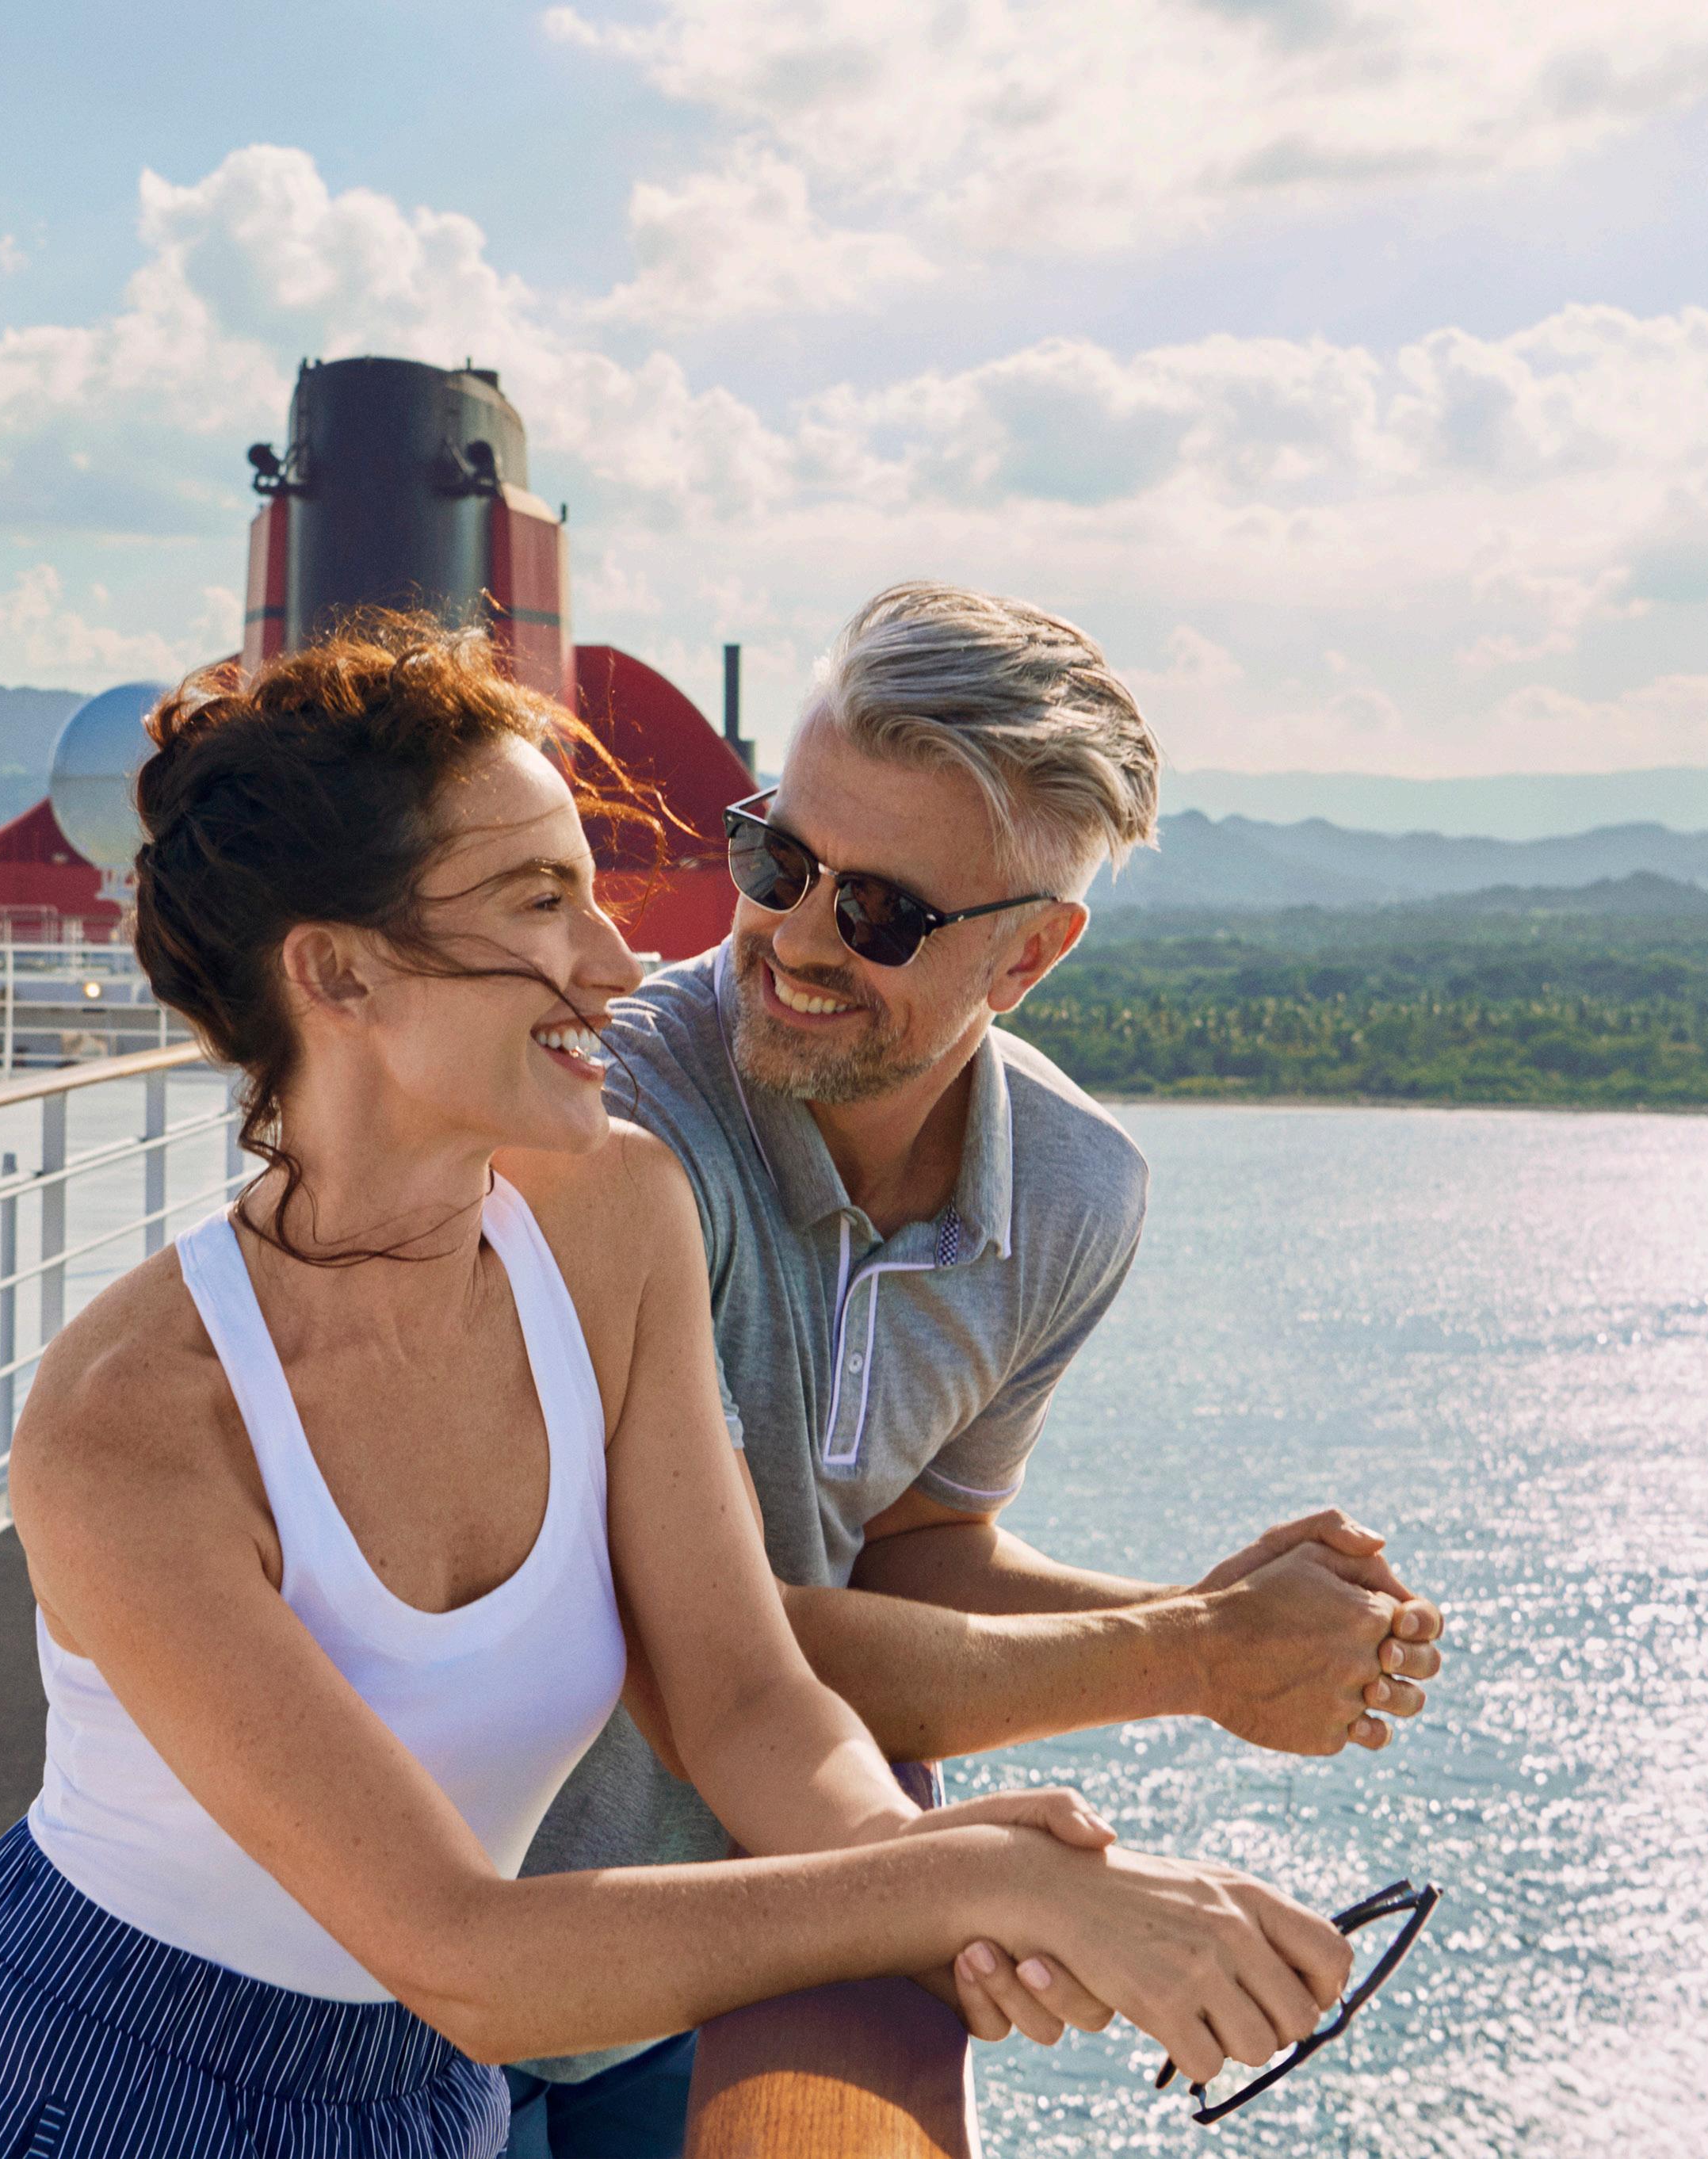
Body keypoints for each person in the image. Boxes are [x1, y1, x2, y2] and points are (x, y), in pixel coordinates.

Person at [0, 621, 1355, 2159]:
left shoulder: (612, 1216)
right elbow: (458, 1950)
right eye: (542, 902)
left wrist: (938, 1873)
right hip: (81, 2089)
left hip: (425, 2103)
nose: (618, 963)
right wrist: (965, 1885)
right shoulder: (131, 1423)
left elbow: (743, 1700)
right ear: (340, 974)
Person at [508, 583, 1450, 2154]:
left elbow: (912, 1549)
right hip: (450, 1957)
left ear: (1028, 955)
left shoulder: (1072, 1192)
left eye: (880, 914)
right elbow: (676, 1641)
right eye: (777, 862)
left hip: (730, 1943)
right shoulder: (613, 1135)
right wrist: (1193, 1655)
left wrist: (1211, 1622)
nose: (796, 938)